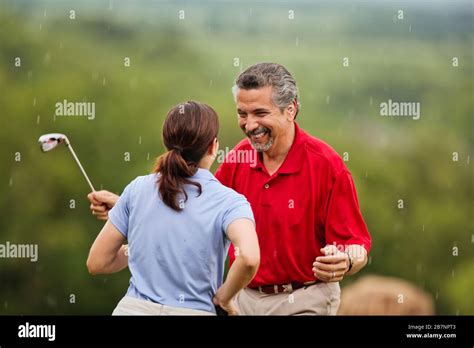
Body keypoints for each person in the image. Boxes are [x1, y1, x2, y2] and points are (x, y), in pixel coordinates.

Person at [89, 63, 372, 315]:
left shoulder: (328, 167)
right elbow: (196, 206)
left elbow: (357, 245)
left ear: (291, 110)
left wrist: (345, 261)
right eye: (242, 113)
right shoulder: (238, 157)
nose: (249, 125)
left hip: (303, 299)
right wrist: (128, 206)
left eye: (260, 113)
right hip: (242, 299)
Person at [86, 101, 260, 315]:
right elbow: (249, 258)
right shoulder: (230, 202)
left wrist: (143, 247)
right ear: (213, 146)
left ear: (166, 141)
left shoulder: (137, 189)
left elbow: (97, 262)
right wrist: (224, 298)